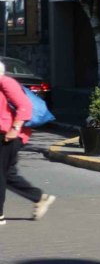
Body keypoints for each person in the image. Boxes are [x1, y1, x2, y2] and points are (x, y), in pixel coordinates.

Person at [0, 60, 53, 224]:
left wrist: (14, 129)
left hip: (8, 134)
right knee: (7, 174)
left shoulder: (6, 82)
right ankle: (39, 197)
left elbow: (24, 106)